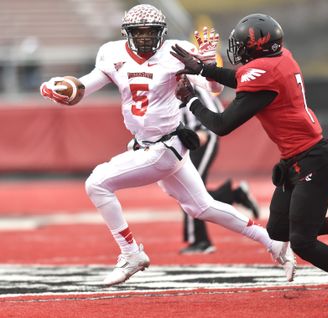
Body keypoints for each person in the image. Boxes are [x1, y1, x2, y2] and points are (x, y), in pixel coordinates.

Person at [39, 4, 296, 287]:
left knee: (97, 183)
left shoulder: (176, 52)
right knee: (202, 207)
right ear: (127, 34)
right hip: (147, 145)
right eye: (140, 33)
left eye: (152, 32)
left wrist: (210, 62)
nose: (146, 38)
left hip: (165, 147)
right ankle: (271, 241)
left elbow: (214, 90)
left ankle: (131, 253)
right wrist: (61, 87)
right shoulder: (111, 53)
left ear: (162, 33)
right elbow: (84, 87)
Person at [170, 14, 328, 306]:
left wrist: (191, 101)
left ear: (256, 46)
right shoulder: (281, 58)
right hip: (297, 160)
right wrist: (203, 69)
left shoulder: (264, 76)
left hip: (313, 161)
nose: (239, 51)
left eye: (242, 45)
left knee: (302, 242)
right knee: (278, 230)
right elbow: (241, 76)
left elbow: (222, 125)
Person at [179, 85, 260, 254]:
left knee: (190, 190)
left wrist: (204, 133)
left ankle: (201, 241)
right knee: (188, 190)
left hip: (202, 141)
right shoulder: (167, 85)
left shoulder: (195, 88)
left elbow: (214, 111)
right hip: (185, 144)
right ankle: (235, 194)